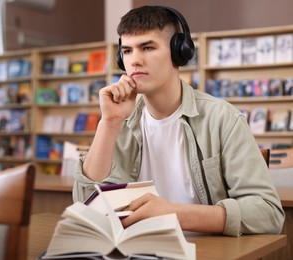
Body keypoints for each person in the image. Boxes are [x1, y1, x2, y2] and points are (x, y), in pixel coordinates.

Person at [72, 5, 284, 237]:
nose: (135, 61)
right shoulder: (118, 119)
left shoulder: (223, 119)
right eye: (128, 51)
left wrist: (175, 213)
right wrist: (109, 122)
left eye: (147, 47)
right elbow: (85, 207)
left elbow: (268, 212)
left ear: (178, 52)